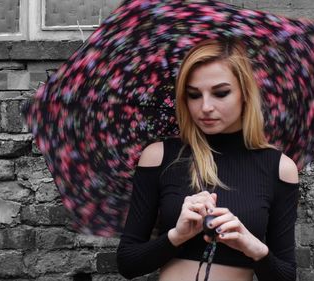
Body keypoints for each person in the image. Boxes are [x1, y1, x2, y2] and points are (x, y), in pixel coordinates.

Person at [116, 39, 299, 281]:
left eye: (220, 93)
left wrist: (254, 249)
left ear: (245, 93)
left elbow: (286, 277)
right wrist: (176, 236)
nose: (205, 107)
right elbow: (127, 263)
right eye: (193, 95)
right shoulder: (159, 156)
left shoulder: (279, 168)